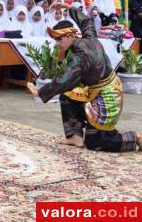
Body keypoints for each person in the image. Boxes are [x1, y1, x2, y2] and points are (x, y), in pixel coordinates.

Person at [27, 8, 141, 152]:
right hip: (95, 90)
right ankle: (75, 136)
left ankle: (135, 137)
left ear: (70, 36)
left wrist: (40, 92)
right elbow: (86, 21)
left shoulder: (80, 57)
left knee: (95, 141)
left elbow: (64, 80)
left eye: (60, 39)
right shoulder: (89, 36)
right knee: (67, 96)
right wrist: (68, 8)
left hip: (108, 95)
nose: (58, 44)